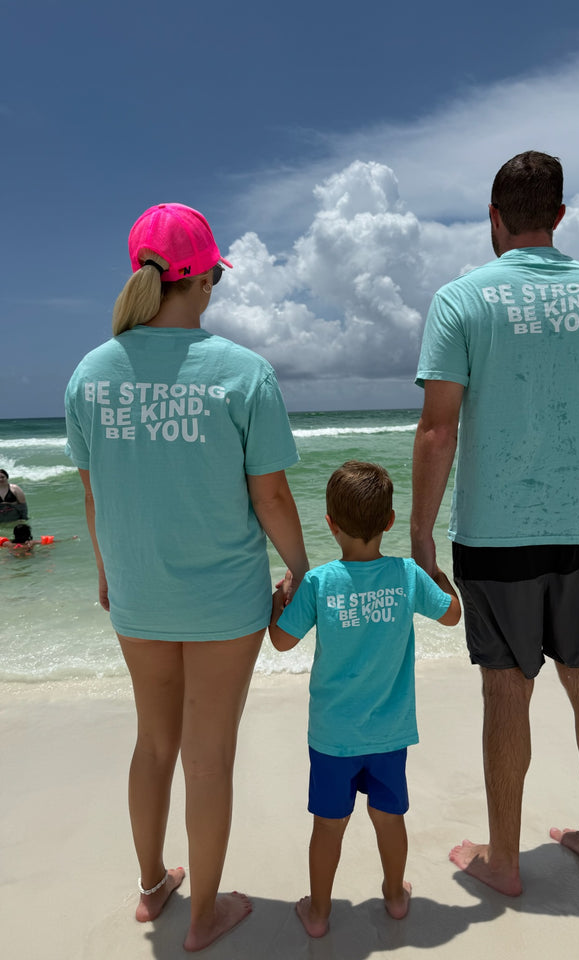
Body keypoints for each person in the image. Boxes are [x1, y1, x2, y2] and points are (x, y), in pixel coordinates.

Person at [65, 202, 309, 952]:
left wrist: (107, 571)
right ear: (202, 278)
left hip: (137, 591)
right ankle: (203, 915)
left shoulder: (90, 373)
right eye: (214, 278)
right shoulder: (242, 372)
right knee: (209, 758)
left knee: (153, 744)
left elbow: (93, 490)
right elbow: (268, 493)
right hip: (221, 598)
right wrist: (301, 568)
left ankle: (152, 889)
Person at [411, 151, 579, 896]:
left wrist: (419, 533)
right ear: (560, 217)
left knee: (505, 690)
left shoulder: (461, 301)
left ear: (493, 217)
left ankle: (505, 860)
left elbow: (437, 431)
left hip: (493, 535)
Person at [269, 460, 461, 937]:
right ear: (390, 521)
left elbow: (280, 641)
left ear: (330, 525)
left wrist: (279, 601)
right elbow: (454, 616)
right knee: (389, 817)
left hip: (333, 735)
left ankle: (318, 913)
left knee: (328, 825)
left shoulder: (318, 583)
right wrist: (436, 572)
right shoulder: (407, 575)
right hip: (389, 731)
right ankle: (395, 897)